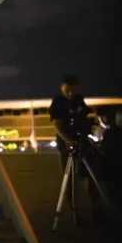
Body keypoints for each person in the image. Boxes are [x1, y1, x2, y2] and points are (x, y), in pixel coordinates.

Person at [48, 74, 103, 223]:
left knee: (92, 175)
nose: (71, 93)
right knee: (71, 179)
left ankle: (96, 210)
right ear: (62, 88)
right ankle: (75, 213)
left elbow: (84, 118)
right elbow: (57, 125)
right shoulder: (58, 102)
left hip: (81, 142)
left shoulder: (79, 100)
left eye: (73, 90)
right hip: (67, 145)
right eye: (68, 90)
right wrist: (68, 140)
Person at [96, 106, 121, 210]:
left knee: (114, 193)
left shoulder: (110, 132)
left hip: (112, 169)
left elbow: (105, 151)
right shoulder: (117, 130)